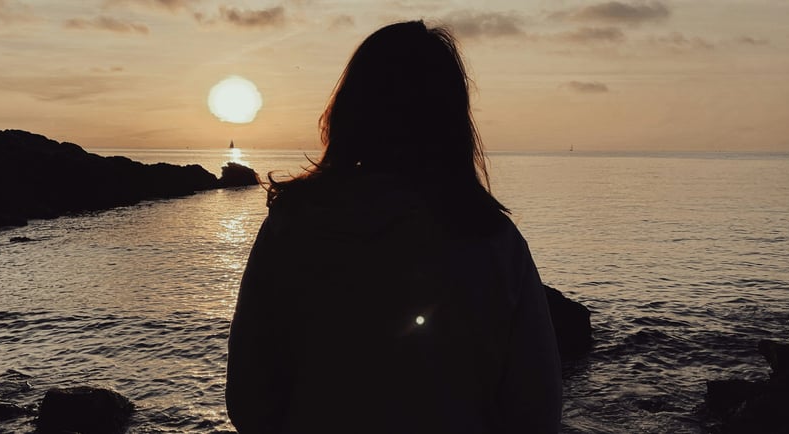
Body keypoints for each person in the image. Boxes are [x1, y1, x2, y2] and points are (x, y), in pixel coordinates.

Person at [226, 20, 561, 433]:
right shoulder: (494, 241)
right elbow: (537, 411)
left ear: (351, 111)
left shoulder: (291, 230)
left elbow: (248, 399)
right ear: (452, 120)